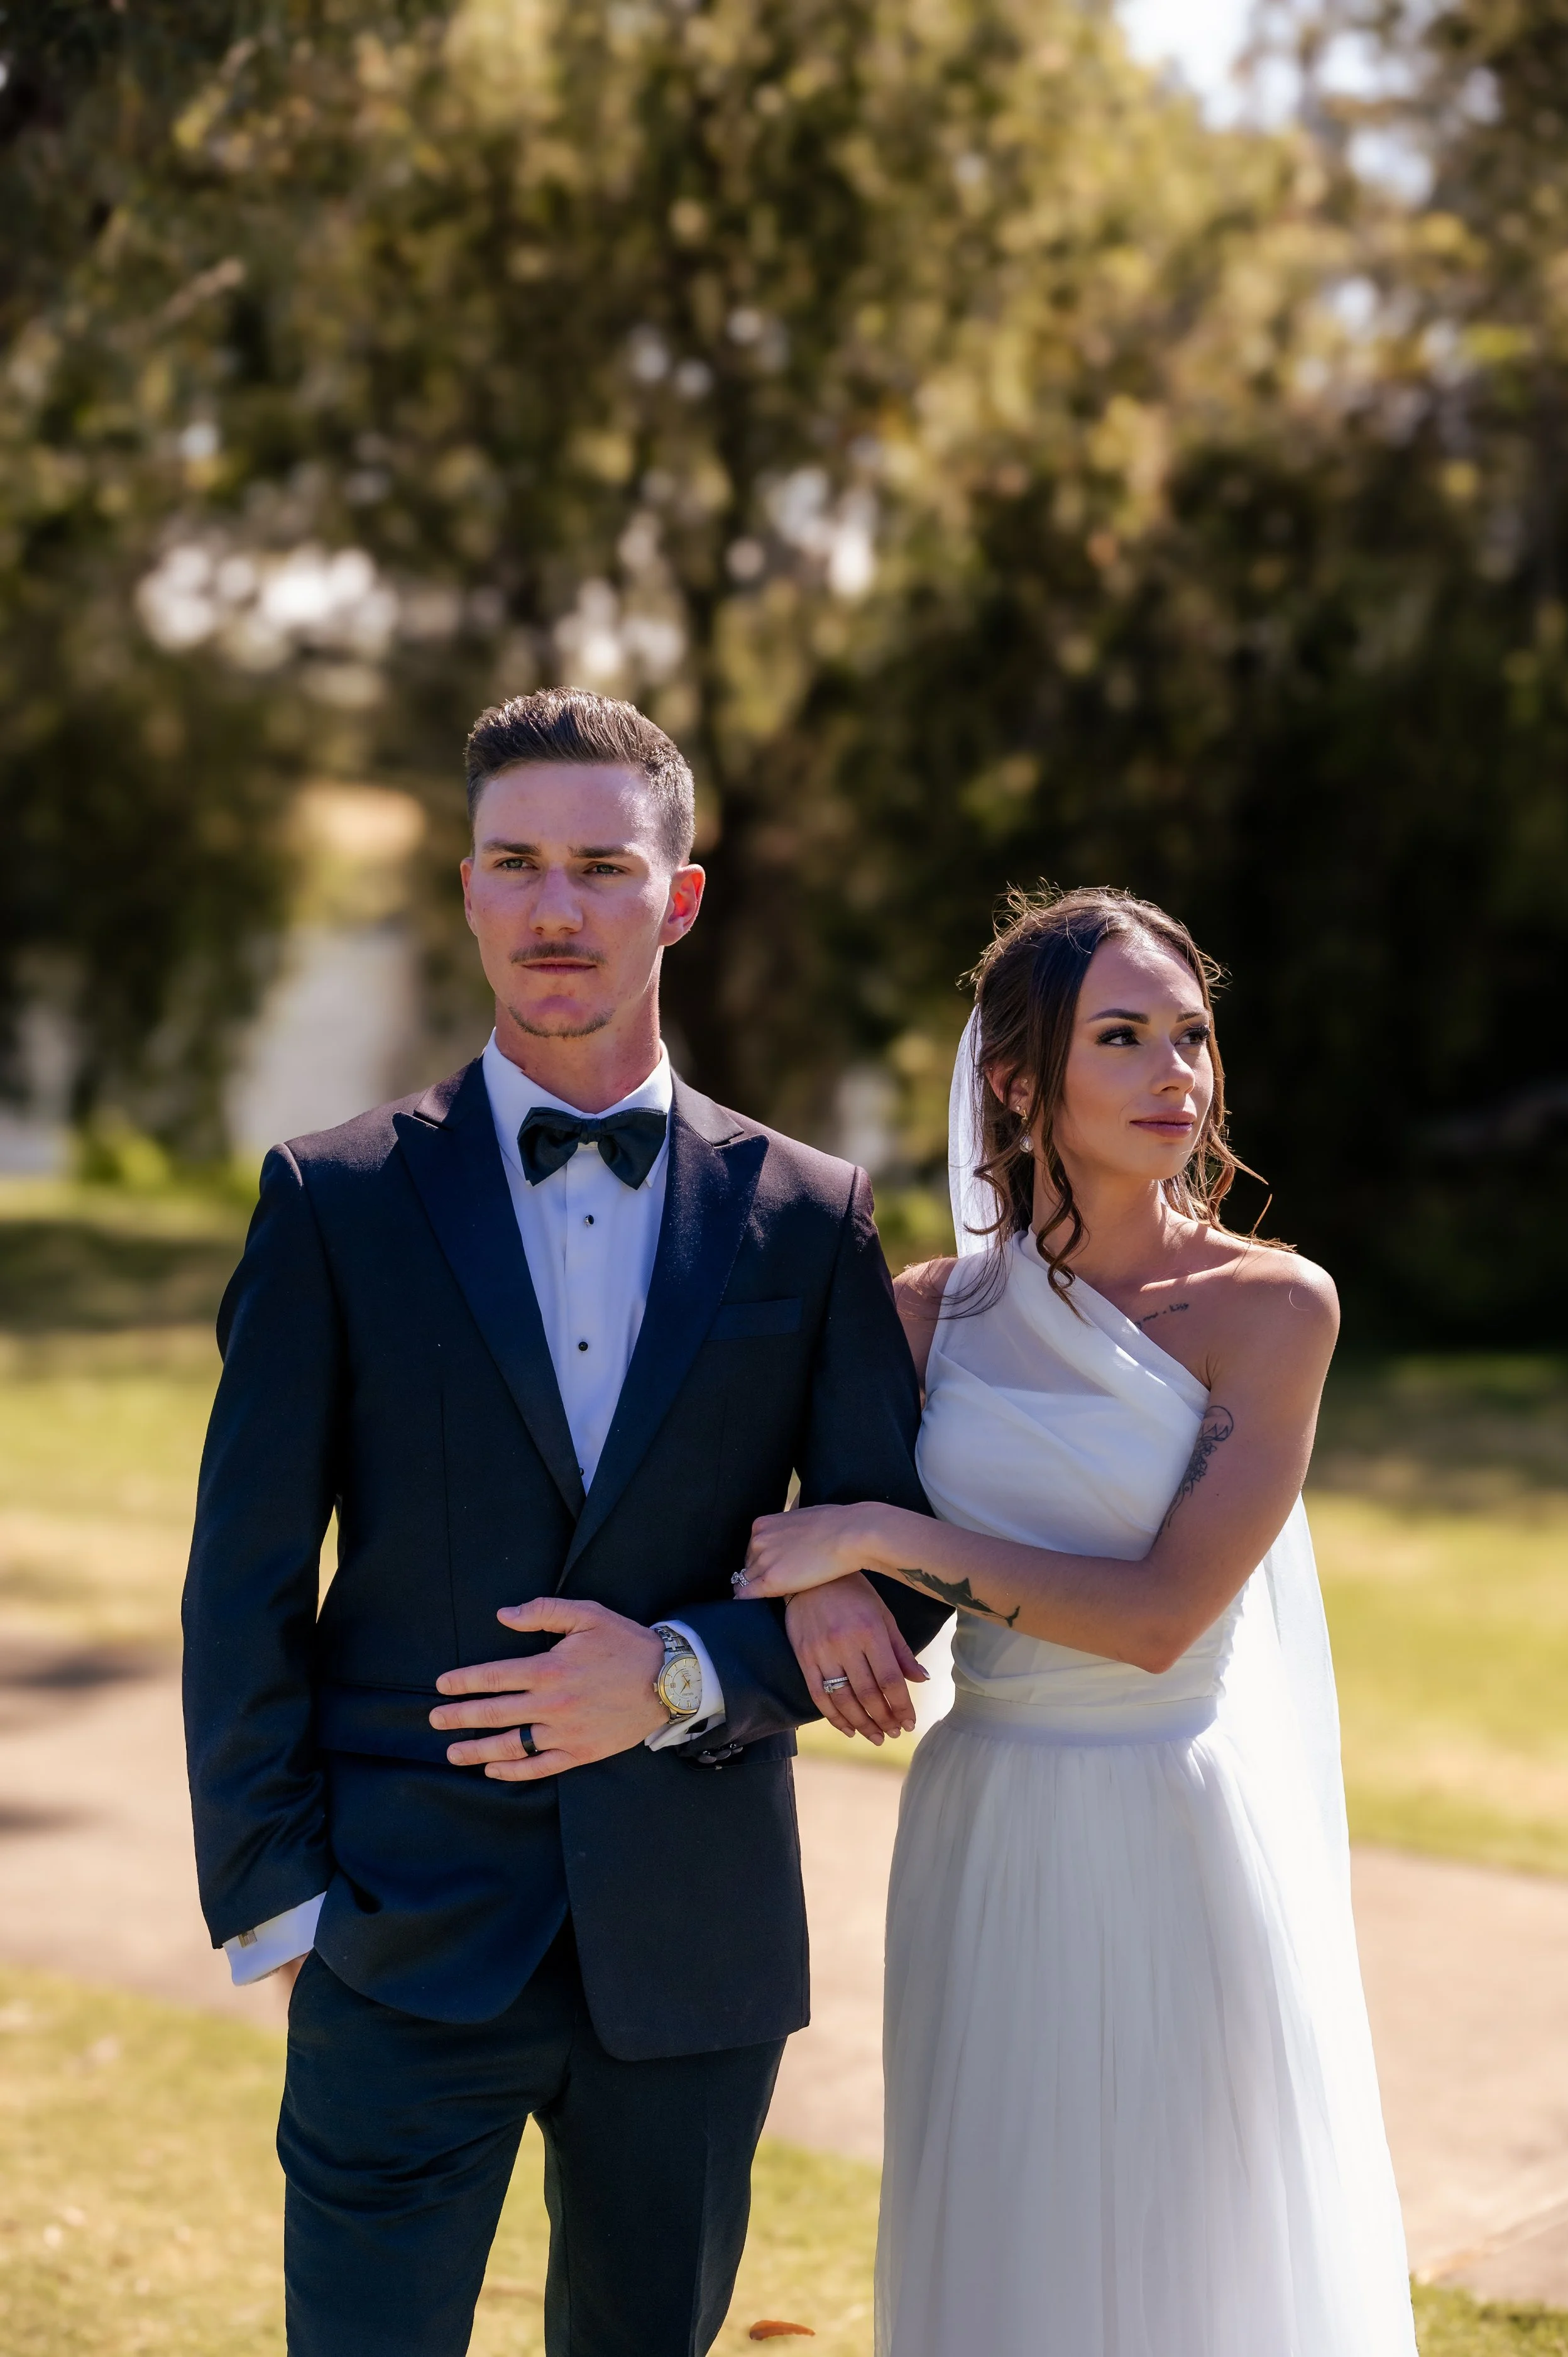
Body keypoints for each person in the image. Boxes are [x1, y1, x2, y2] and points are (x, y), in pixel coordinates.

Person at [182, 686, 947, 2357]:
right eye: (514, 862)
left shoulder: (807, 1216)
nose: (551, 905)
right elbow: (241, 1579)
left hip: (691, 1948)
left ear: (676, 897)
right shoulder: (334, 1199)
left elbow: (895, 1558)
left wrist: (684, 1669)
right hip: (400, 1934)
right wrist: (284, 1904)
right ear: (463, 886)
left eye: (599, 866)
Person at [737, 885, 1420, 2357]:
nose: (1176, 1074)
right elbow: (787, 1526)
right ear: (1016, 1081)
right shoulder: (918, 1314)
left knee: (1182, 2232)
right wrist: (838, 1576)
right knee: (1005, 2217)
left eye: (1190, 1038)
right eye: (1123, 1039)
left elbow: (1162, 1617)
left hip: (1173, 1816)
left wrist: (875, 1533)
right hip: (983, 1811)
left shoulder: (1270, 1307)